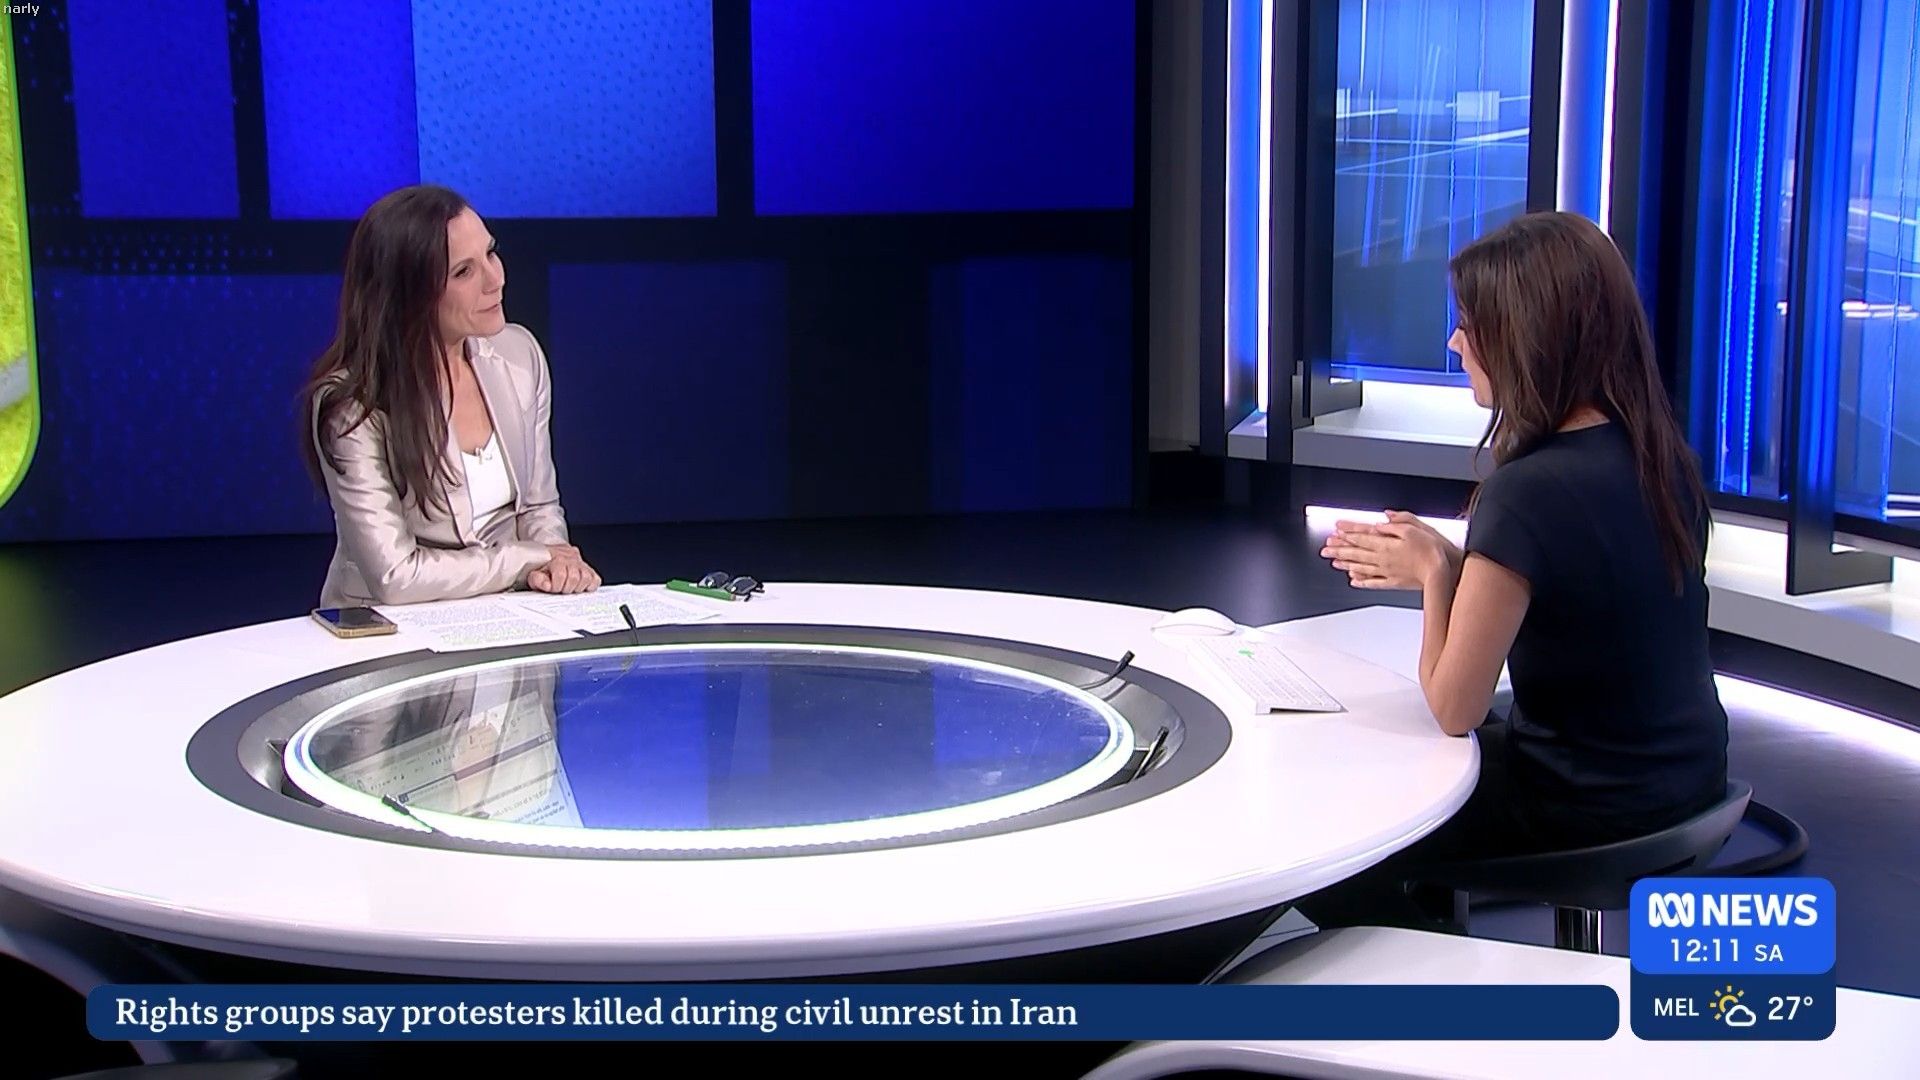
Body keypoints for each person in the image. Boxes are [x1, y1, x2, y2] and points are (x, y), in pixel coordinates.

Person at [1304, 211, 1730, 928]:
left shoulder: (1527, 491)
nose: (1455, 343)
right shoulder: (1657, 457)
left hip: (1587, 809)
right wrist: (1455, 559)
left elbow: (1455, 707)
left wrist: (1437, 576)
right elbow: (1578, 598)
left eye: (1469, 326)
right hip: (1686, 783)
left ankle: (1420, 985)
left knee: (1345, 829)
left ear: (1526, 337)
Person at [300, 184, 599, 608]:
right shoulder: (352, 406)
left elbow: (538, 507)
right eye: (464, 272)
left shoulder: (519, 355)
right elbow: (395, 576)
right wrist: (529, 559)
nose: (496, 279)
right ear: (409, 296)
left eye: (491, 253)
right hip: (387, 623)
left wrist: (556, 569)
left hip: (504, 609)